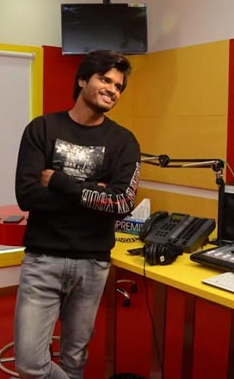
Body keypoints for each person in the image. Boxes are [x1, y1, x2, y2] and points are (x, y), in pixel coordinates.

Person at [14, 50, 141, 379]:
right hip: (43, 259)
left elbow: (121, 204)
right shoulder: (42, 128)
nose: (112, 89)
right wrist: (96, 193)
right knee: (29, 364)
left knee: (74, 359)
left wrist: (59, 182)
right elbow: (27, 195)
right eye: (105, 79)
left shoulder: (124, 141)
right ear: (83, 80)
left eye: (118, 86)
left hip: (92, 263)